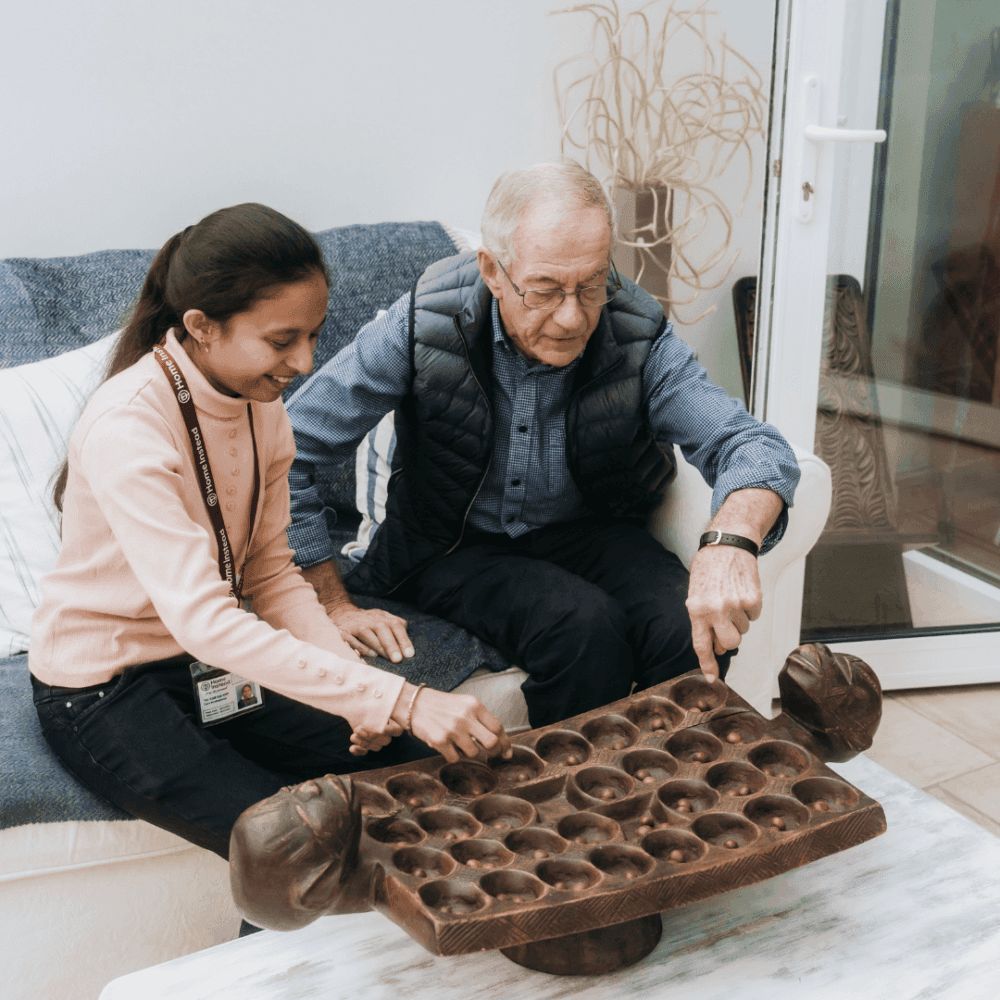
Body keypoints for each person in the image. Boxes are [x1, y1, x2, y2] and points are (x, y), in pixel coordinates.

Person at [28, 203, 511, 862]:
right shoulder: (128, 430)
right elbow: (205, 619)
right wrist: (395, 695)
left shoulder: (262, 411)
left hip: (205, 666)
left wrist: (362, 700)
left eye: (312, 335)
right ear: (202, 326)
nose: (306, 362)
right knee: (294, 842)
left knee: (415, 774)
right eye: (283, 341)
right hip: (103, 688)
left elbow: (271, 578)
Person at [286, 162, 801, 730]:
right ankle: (571, 806)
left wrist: (730, 541)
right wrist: (329, 604)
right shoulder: (424, 322)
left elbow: (752, 445)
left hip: (591, 528)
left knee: (684, 624)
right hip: (452, 541)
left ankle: (672, 791)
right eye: (546, 290)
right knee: (582, 629)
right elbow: (290, 449)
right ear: (493, 270)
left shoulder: (636, 333)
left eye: (592, 285)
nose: (572, 316)